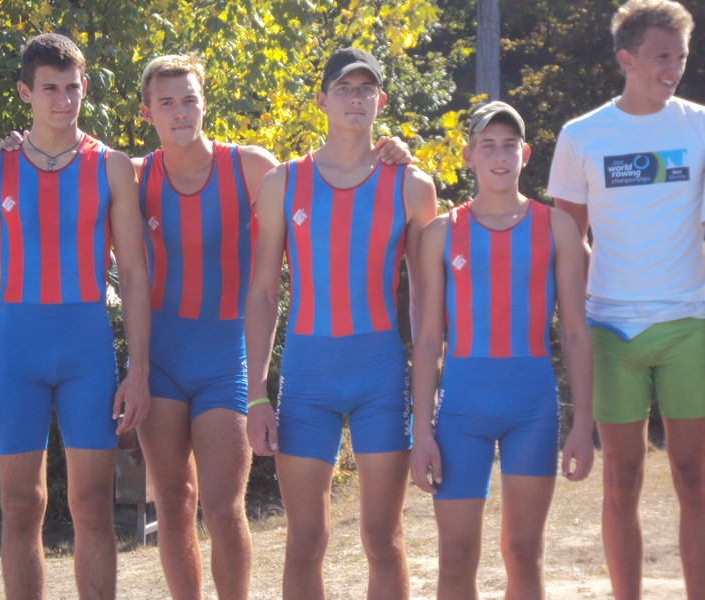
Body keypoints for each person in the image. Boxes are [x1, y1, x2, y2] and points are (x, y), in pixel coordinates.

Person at [0, 52, 413, 597]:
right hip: (161, 359)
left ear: (205, 103)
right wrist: (19, 147)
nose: (180, 112)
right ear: (147, 112)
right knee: (174, 501)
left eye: (189, 99)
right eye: (166, 102)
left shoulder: (251, 167)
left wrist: (386, 149)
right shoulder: (133, 174)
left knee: (221, 507)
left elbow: (326, 182)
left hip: (225, 358)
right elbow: (67, 170)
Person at [0, 33, 151, 599]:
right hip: (17, 348)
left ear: (85, 87)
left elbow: (135, 275)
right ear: (25, 92)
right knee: (21, 504)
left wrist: (139, 368)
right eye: (49, 89)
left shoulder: (110, 166)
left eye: (72, 87)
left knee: (92, 504)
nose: (63, 100)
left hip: (87, 348)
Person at [245, 47, 437, 600]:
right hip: (307, 377)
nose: (356, 99)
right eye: (344, 89)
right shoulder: (283, 182)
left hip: (381, 375)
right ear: (322, 99)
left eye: (366, 89)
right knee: (305, 540)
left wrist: (426, 407)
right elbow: (262, 293)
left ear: (381, 100)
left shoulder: (411, 185)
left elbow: (428, 306)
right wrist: (256, 394)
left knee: (383, 539)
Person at [546, 1, 705, 597]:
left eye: (680, 57)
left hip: (689, 324)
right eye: (661, 56)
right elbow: (568, 240)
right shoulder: (582, 136)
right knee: (622, 479)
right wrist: (600, 296)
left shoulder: (699, 127)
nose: (673, 69)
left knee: (694, 477)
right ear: (626, 59)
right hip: (611, 331)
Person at [409, 101, 594, 599]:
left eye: (509, 145)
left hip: (532, 409)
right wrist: (421, 430)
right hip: (461, 412)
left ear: (525, 154)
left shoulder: (556, 227)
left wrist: (582, 424)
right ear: (468, 155)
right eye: (487, 145)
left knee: (524, 553)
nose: (499, 156)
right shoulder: (441, 233)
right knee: (454, 557)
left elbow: (576, 332)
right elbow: (428, 339)